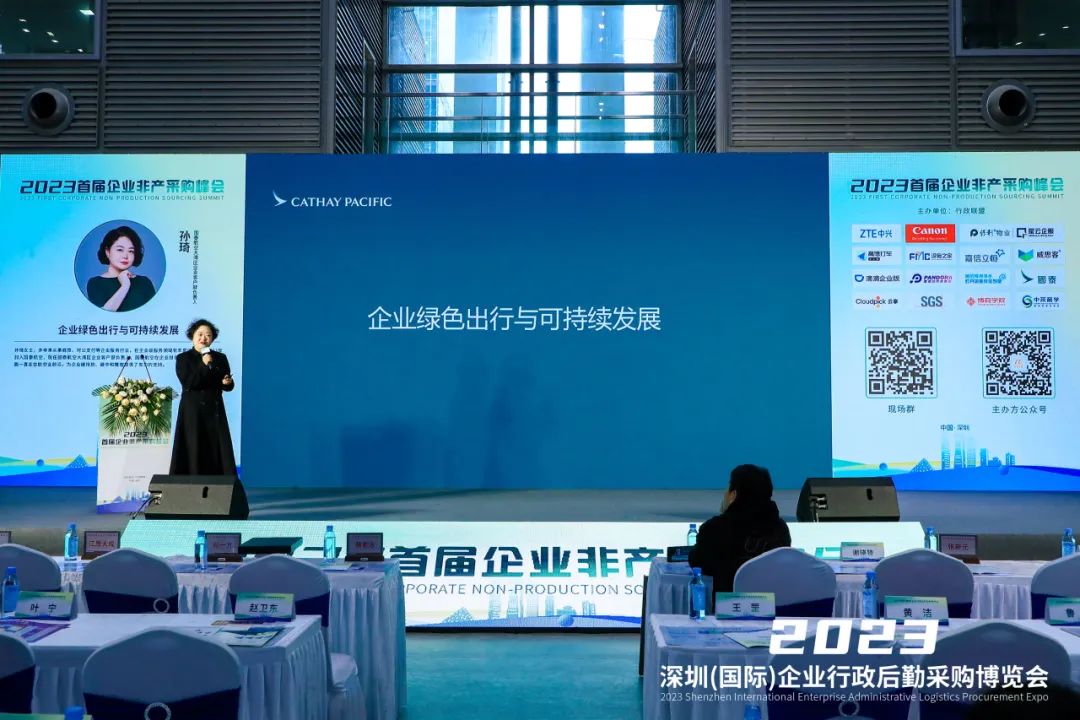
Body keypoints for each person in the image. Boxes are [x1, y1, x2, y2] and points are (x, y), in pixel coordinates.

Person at [688, 464, 791, 592]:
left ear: (733, 495)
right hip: (773, 602)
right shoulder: (780, 529)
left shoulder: (714, 529)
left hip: (725, 602)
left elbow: (697, 564)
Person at [170, 319, 237, 476]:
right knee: (193, 446)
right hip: (192, 411)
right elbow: (189, 382)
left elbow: (227, 385)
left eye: (208, 335)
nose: (203, 338)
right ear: (192, 336)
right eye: (200, 334)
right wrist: (204, 364)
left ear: (212, 339)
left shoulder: (220, 357)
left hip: (214, 410)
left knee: (216, 448)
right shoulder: (183, 358)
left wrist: (227, 382)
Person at [86, 226, 157, 312]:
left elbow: (156, 313)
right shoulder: (95, 283)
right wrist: (125, 285)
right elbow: (101, 316)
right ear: (107, 252)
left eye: (131, 251)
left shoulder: (145, 282)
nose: (125, 256)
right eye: (120, 250)